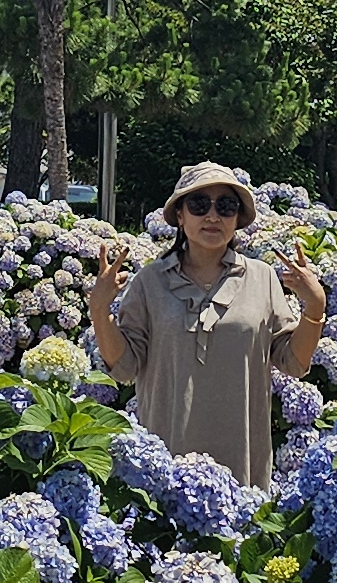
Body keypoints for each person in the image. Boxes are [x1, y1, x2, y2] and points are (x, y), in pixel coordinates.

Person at [84, 160, 324, 484]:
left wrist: (315, 307)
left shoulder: (262, 278)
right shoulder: (149, 282)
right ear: (180, 216)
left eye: (225, 206)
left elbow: (293, 362)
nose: (212, 216)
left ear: (237, 219)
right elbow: (124, 368)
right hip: (166, 466)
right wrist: (100, 310)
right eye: (199, 205)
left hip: (243, 466)